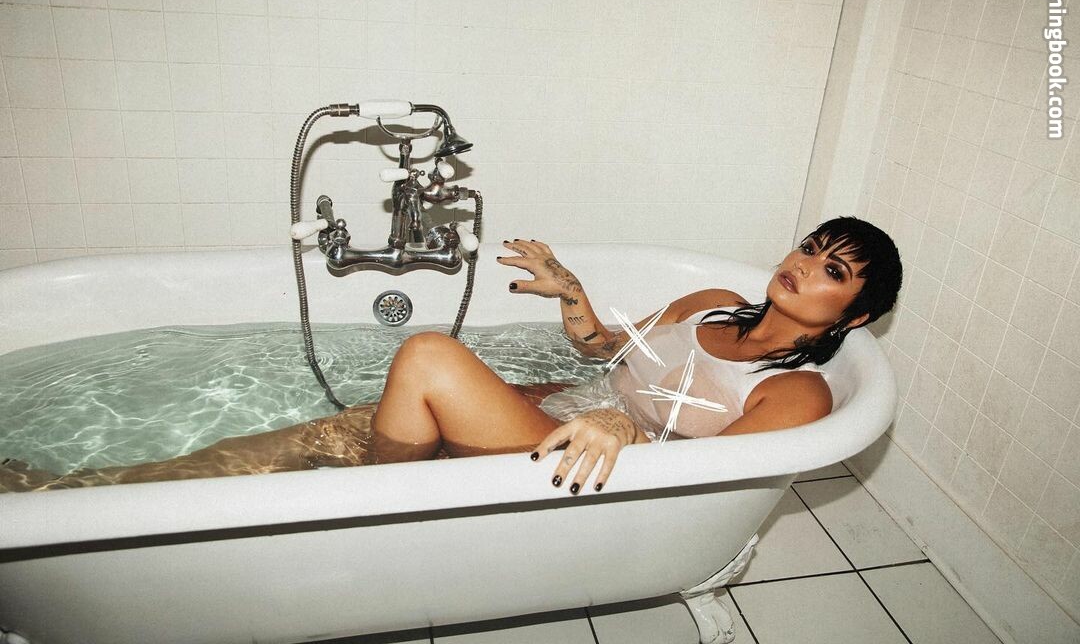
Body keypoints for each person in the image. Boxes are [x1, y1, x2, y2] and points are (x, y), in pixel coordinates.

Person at [1, 216, 901, 494]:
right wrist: (573, 293)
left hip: (589, 464)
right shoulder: (709, 303)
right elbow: (605, 350)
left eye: (832, 272)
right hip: (556, 410)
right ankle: (77, 491)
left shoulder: (798, 398)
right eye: (810, 247)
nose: (802, 266)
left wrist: (626, 431)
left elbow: (704, 480)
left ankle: (375, 508)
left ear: (855, 315)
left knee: (429, 358)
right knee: (331, 433)